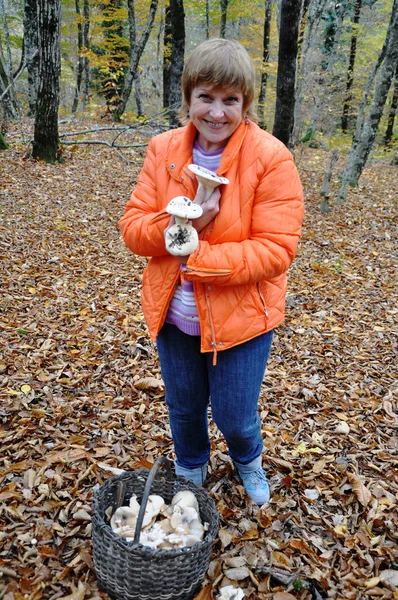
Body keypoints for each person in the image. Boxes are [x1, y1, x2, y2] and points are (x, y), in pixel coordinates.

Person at [119, 38, 304, 505]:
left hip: (241, 320)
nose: (217, 112)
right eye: (206, 97)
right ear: (188, 99)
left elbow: (276, 249)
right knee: (183, 407)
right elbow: (133, 227)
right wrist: (183, 225)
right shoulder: (164, 150)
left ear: (246, 103)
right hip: (174, 315)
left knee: (235, 414)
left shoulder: (271, 157)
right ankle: (191, 467)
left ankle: (248, 459)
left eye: (230, 100)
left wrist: (195, 255)